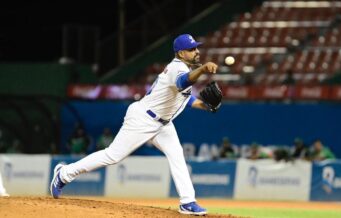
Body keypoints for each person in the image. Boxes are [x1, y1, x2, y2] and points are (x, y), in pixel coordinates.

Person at [50, 34, 218, 216]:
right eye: (192, 49)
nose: (197, 51)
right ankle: (64, 173)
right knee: (112, 156)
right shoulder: (176, 68)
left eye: (196, 48)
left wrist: (207, 106)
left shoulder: (183, 69)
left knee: (177, 156)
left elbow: (187, 98)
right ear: (181, 53)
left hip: (163, 124)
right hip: (143, 119)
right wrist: (202, 70)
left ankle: (187, 202)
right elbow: (183, 82)